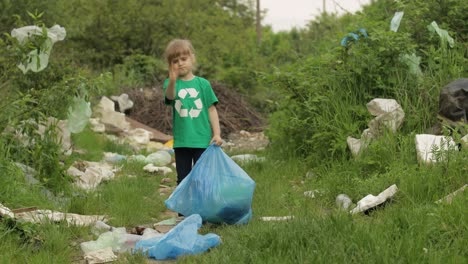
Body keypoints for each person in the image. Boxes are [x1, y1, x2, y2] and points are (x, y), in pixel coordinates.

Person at [163, 39, 223, 187]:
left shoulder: (203, 84)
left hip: (202, 141)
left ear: (192, 58)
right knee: (183, 181)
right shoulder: (170, 83)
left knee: (202, 180)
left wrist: (217, 134)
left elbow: (211, 110)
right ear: (170, 65)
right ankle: (183, 211)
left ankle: (201, 210)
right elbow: (170, 96)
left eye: (184, 59)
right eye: (175, 61)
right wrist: (172, 80)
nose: (180, 63)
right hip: (182, 142)